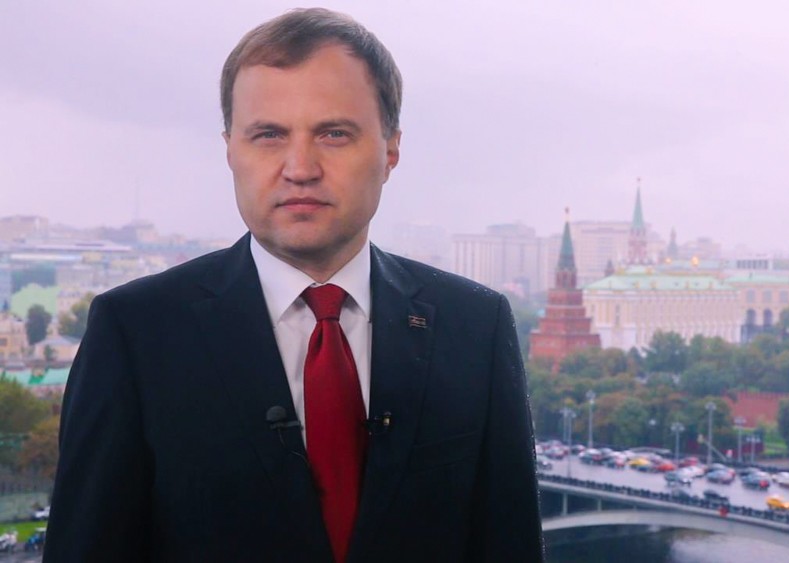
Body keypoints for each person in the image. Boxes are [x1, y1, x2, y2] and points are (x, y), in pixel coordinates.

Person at [44, 8, 543, 562]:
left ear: (390, 151)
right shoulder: (136, 334)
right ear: (230, 150)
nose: (300, 167)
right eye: (268, 135)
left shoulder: (475, 327)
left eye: (334, 134)